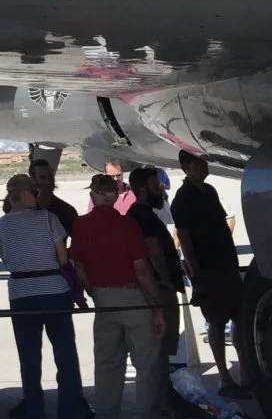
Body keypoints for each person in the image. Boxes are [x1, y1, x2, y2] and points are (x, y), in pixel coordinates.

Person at [70, 176, 165, 419]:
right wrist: (157, 307)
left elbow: (80, 268)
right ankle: (145, 414)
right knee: (146, 364)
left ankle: (106, 414)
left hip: (103, 300)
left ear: (92, 196)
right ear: (115, 197)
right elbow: (142, 271)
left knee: (107, 364)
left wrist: (95, 293)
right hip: (133, 299)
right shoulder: (128, 225)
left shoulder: (80, 225)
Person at [0, 175, 80, 419]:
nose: (38, 196)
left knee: (29, 360)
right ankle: (70, 410)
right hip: (54, 291)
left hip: (21, 293)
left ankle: (34, 411)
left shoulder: (0, 225)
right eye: (34, 192)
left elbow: (6, 258)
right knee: (65, 356)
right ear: (23, 194)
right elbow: (63, 258)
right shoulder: (48, 218)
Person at [170, 152, 248, 399]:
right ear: (186, 167)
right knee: (216, 321)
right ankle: (225, 377)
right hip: (207, 268)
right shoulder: (182, 199)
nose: (204, 166)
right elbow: (184, 239)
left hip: (226, 264)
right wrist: (195, 275)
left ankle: (245, 373)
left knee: (238, 317)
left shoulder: (210, 191)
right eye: (198, 163)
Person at [125, 168, 182, 404]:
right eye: (154, 186)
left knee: (160, 350)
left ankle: (163, 396)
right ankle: (161, 399)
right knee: (159, 347)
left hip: (154, 287)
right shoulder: (143, 215)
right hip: (158, 288)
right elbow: (154, 250)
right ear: (142, 190)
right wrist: (165, 279)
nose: (160, 189)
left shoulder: (141, 213)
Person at [29, 159, 78, 236]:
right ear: (33, 179)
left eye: (50, 176)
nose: (48, 181)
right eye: (42, 177)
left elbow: (78, 239)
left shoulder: (66, 211)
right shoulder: (23, 209)